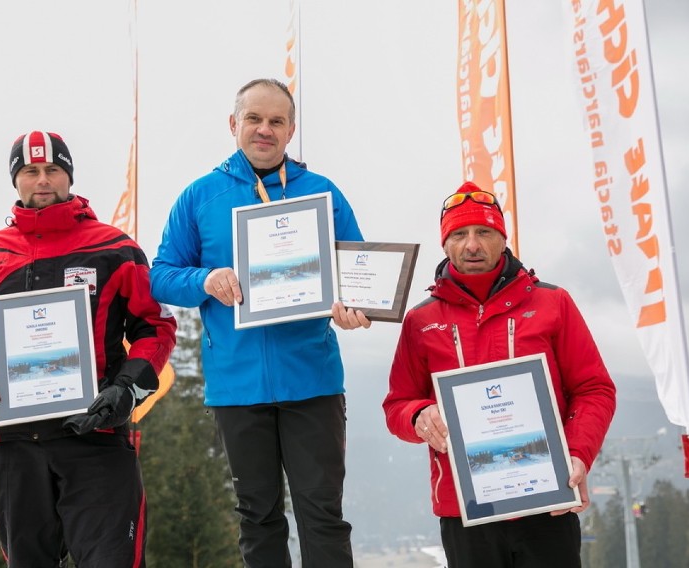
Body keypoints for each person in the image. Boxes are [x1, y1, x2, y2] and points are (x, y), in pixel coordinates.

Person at [150, 78, 369, 567]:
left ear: (291, 130)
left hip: (312, 379)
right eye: (254, 118)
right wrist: (205, 280)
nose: (264, 129)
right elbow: (160, 277)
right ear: (234, 124)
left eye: (276, 121)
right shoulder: (199, 197)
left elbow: (356, 274)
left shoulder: (321, 193)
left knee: (323, 515)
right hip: (237, 384)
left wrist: (355, 309)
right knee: (258, 517)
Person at [0, 131, 177, 567]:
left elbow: (155, 327)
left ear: (68, 176)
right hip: (12, 443)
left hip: (95, 438)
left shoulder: (116, 249)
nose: (42, 180)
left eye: (52, 170)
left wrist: (125, 390)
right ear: (16, 180)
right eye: (30, 171)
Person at [383, 181, 616, 567]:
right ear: (445, 244)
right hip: (465, 507)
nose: (472, 244)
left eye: (484, 232)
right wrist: (418, 415)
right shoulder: (421, 321)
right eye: (459, 234)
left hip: (548, 500)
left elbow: (594, 389)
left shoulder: (551, 303)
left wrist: (576, 455)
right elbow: (397, 405)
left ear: (502, 239)